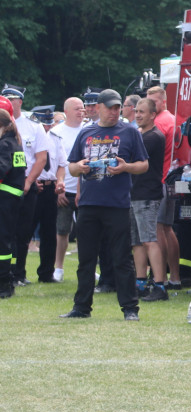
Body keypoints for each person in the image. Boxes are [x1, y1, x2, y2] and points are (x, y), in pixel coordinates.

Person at [60, 89, 148, 321]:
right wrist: (80, 167)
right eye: (110, 107)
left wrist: (126, 167)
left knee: (122, 258)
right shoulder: (86, 132)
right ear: (98, 107)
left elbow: (144, 165)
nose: (114, 111)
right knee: (86, 259)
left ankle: (130, 308)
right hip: (89, 204)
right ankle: (81, 307)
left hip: (117, 205)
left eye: (118, 107)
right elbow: (71, 167)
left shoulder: (129, 132)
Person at [2, 85, 53, 288]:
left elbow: (41, 158)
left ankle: (19, 273)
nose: (7, 103)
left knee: (23, 232)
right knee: (7, 233)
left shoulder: (33, 126)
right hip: (9, 185)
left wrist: (29, 181)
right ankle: (9, 273)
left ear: (20, 102)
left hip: (25, 185)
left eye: (11, 99)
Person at [129, 98, 168, 302]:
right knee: (137, 242)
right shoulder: (141, 134)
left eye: (142, 112)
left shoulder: (153, 137)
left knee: (149, 240)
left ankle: (160, 285)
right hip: (135, 193)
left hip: (147, 194)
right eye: (136, 111)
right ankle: (140, 283)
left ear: (153, 115)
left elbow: (131, 155)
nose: (137, 115)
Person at [147, 85, 181, 289]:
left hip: (159, 180)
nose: (150, 106)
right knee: (167, 229)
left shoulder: (159, 123)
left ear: (164, 101)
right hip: (170, 179)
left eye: (154, 102)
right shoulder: (173, 119)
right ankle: (175, 277)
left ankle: (161, 277)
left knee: (158, 228)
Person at [51, 97, 86, 283]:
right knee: (62, 230)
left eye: (82, 108)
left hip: (84, 190)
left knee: (85, 231)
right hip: (64, 189)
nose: (81, 112)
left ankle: (86, 267)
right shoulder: (57, 132)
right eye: (77, 109)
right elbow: (55, 162)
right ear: (66, 111)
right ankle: (59, 267)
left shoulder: (88, 130)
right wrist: (60, 187)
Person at [30, 105, 67, 283]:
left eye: (49, 124)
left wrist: (60, 181)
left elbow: (61, 165)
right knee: (25, 231)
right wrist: (31, 180)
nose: (47, 127)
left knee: (49, 233)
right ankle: (17, 272)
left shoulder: (55, 139)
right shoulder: (29, 137)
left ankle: (46, 273)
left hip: (50, 188)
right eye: (44, 124)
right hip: (33, 187)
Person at [0, 99, 26, 299]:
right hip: (11, 199)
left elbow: (2, 169)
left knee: (2, 244)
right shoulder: (15, 142)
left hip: (4, 200)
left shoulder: (5, 144)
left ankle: (3, 284)